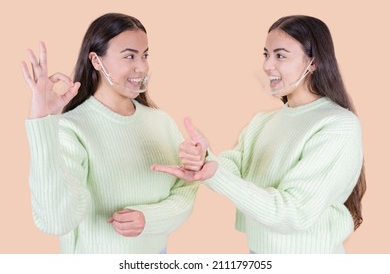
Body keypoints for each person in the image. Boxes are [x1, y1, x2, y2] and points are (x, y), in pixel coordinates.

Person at [152, 15, 366, 253]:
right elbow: (235, 168)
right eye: (266, 54)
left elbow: (294, 213)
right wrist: (203, 159)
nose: (267, 65)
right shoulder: (263, 122)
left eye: (280, 55)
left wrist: (215, 172)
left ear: (313, 62)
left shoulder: (338, 125)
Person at [21, 13, 198, 254]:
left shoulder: (161, 122)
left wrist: (151, 218)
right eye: (129, 56)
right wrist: (42, 124)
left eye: (145, 55)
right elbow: (57, 221)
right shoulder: (71, 128)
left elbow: (187, 188)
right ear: (95, 60)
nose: (142, 67)